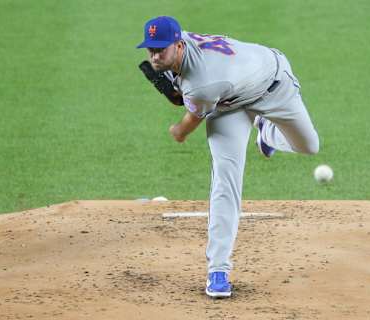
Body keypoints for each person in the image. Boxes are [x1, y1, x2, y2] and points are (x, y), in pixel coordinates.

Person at [136, 16, 319, 298]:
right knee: (226, 179)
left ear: (179, 44)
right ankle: (218, 271)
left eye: (162, 49)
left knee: (309, 146)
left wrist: (177, 130)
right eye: (151, 50)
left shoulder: (202, 84)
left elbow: (187, 125)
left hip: (274, 84)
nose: (156, 56)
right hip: (228, 105)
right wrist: (177, 85)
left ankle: (267, 134)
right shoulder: (181, 48)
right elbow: (188, 90)